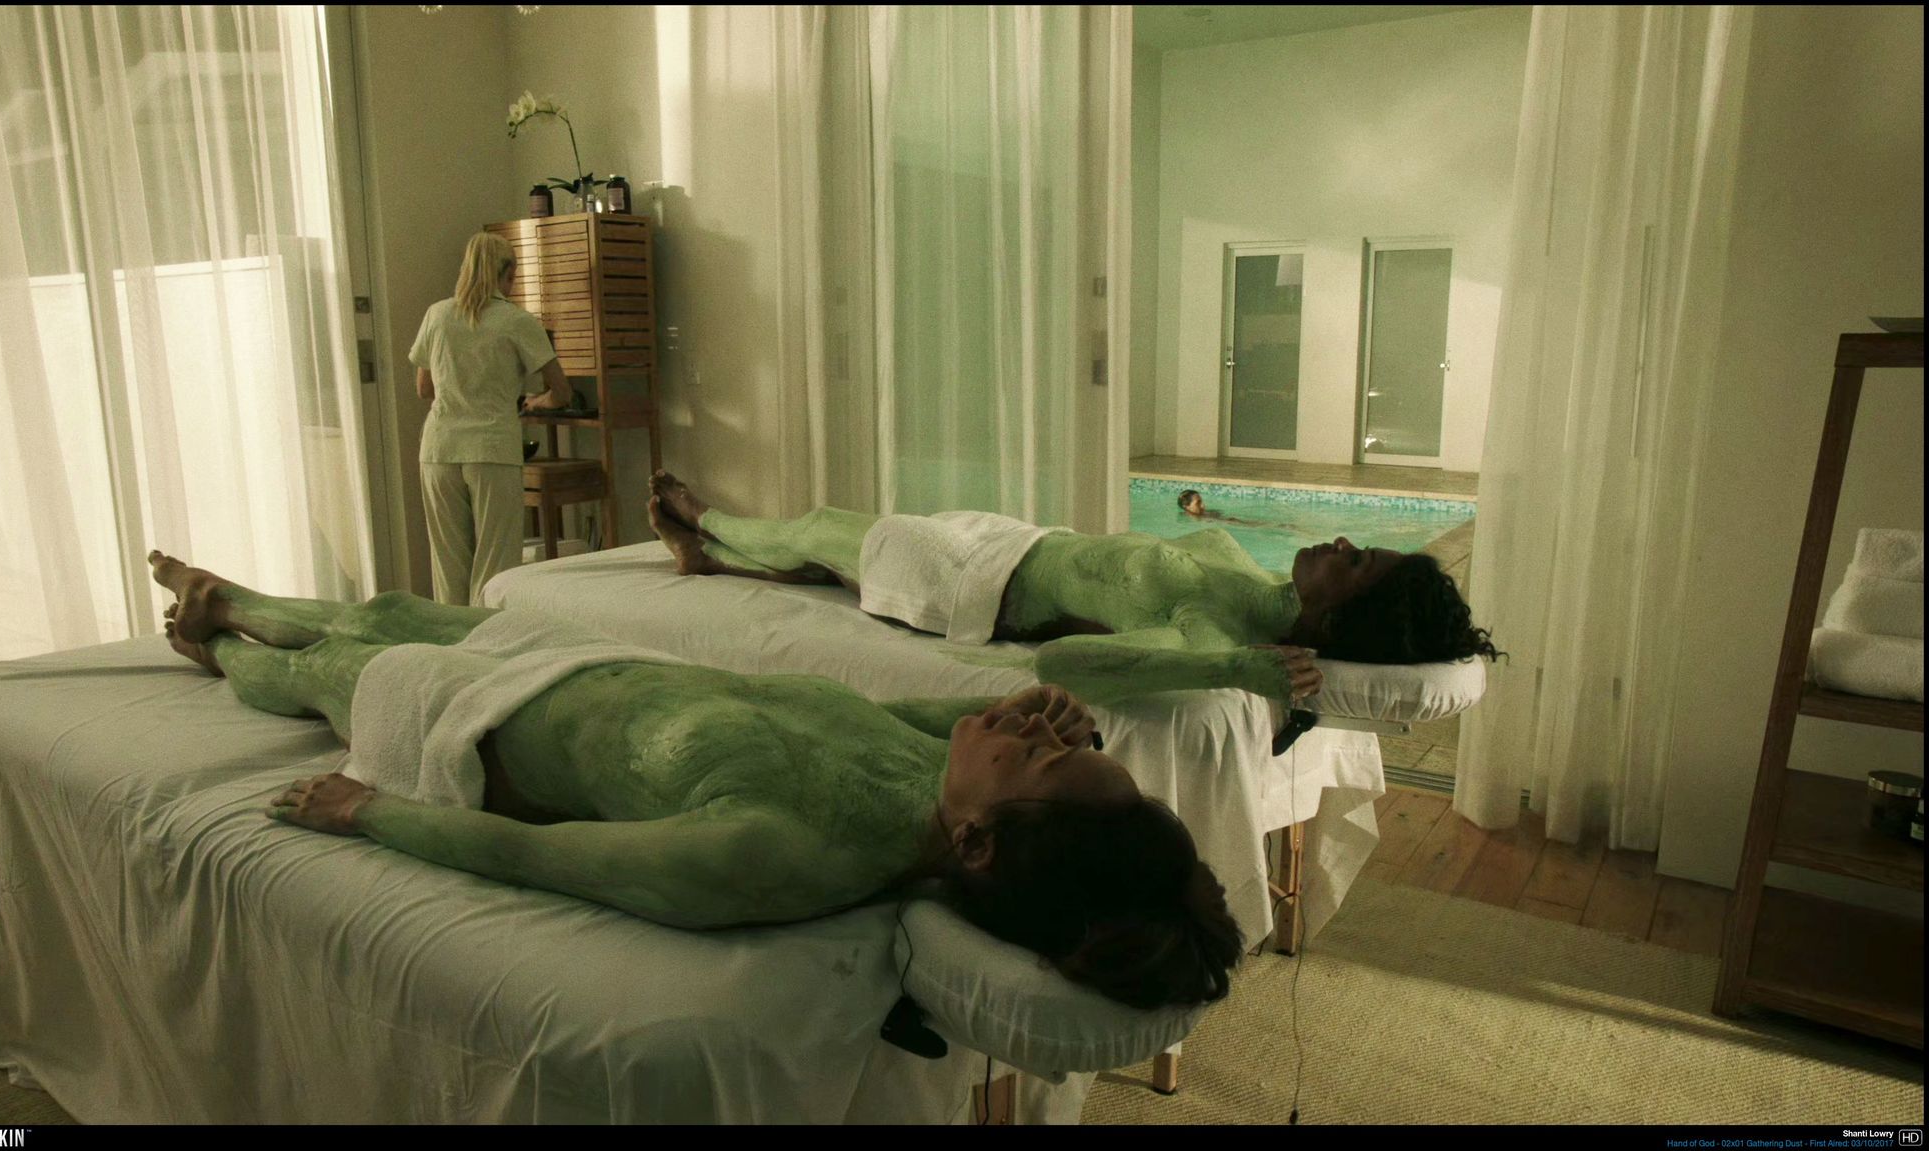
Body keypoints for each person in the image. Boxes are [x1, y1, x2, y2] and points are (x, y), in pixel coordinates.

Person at [148, 550, 1243, 1011]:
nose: (1026, 727)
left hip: (467, 726)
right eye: (1056, 739)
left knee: (317, 673)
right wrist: (1043, 713)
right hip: (573, 659)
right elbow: (933, 717)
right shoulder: (930, 768)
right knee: (388, 607)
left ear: (978, 844)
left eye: (1040, 754)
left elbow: (539, 855)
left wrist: (370, 809)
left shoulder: (779, 856)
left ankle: (219, 643)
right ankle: (232, 599)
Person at [646, 471, 1500, 706]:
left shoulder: (1215, 636)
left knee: (821, 527)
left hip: (974, 582)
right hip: (1011, 539)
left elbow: (1063, 666)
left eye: (1356, 561)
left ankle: (708, 521)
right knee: (835, 558)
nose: (1343, 542)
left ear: (1338, 614)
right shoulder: (1262, 584)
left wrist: (1234, 671)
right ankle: (713, 561)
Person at [410, 232, 574, 606]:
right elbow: (562, 391)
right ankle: (489, 637)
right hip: (492, 450)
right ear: (509, 274)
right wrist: (536, 402)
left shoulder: (437, 315)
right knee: (494, 566)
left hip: (439, 450)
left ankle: (454, 639)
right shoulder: (517, 321)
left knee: (448, 565)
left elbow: (424, 388)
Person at [1175, 488, 1296, 531]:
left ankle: (1279, 526)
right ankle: (1279, 527)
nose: (1203, 506)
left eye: (1201, 501)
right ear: (1186, 506)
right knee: (1254, 525)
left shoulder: (1202, 516)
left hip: (1230, 520)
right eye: (1198, 503)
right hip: (1231, 523)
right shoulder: (1192, 522)